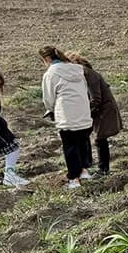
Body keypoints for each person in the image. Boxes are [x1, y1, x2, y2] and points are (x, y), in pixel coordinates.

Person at [40, 46, 93, 189]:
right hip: (83, 112)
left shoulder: (51, 74)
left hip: (66, 115)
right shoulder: (77, 69)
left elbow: (49, 98)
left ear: (47, 59)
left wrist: (50, 110)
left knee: (70, 147)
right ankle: (84, 171)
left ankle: (74, 179)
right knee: (83, 142)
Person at [67, 53, 123, 176]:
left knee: (100, 139)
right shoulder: (85, 74)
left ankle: (103, 169)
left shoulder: (88, 74)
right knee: (90, 138)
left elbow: (96, 98)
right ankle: (90, 166)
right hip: (99, 111)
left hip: (103, 111)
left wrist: (85, 112)